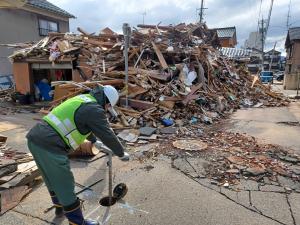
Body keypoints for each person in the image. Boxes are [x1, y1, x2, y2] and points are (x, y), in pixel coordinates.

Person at [26, 85, 129, 225]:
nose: (106, 110)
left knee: (51, 180)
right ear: (107, 103)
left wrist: (94, 141)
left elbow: (84, 124)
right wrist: (121, 153)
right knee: (65, 184)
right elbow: (107, 134)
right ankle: (77, 222)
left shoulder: (84, 99)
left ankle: (60, 209)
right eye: (108, 108)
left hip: (35, 139)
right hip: (50, 145)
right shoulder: (94, 109)